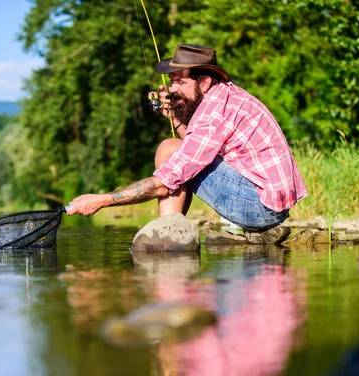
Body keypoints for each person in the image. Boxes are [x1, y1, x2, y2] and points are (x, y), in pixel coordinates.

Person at [67, 43, 307, 235]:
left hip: (260, 208)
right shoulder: (224, 96)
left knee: (169, 150)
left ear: (203, 82)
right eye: (172, 82)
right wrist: (175, 117)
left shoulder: (212, 113)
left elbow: (169, 176)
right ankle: (172, 233)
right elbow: (196, 149)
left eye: (181, 82)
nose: (172, 90)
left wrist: (102, 200)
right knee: (175, 152)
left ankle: (169, 237)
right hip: (268, 203)